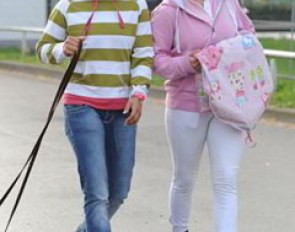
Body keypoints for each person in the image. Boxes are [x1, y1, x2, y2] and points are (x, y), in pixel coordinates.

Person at [36, 0, 153, 231]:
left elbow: (143, 54)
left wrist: (138, 92)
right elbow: (42, 49)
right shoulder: (69, 5)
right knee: (97, 193)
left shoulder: (137, 5)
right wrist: (62, 49)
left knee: (119, 191)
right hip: (82, 106)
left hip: (123, 109)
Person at [152, 0, 254, 232]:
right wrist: (187, 63)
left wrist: (229, 52)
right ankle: (180, 229)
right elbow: (157, 60)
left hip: (230, 104)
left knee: (226, 180)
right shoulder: (168, 11)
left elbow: (249, 34)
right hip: (186, 105)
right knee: (184, 179)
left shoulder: (228, 3)